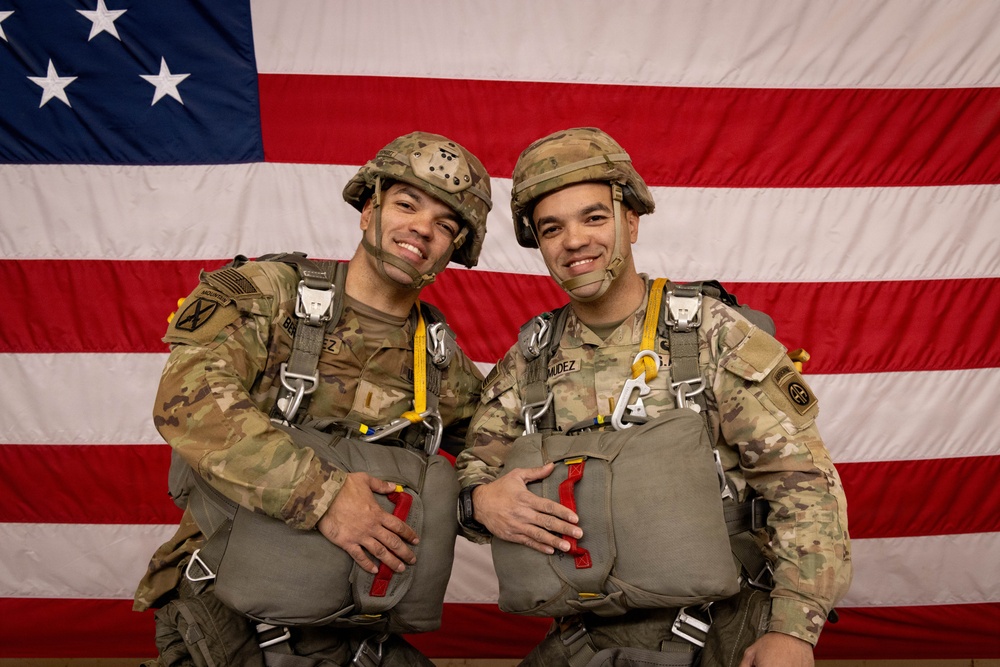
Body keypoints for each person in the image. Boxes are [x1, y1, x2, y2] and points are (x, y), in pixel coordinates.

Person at [455, 127, 851, 667]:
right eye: (553, 228)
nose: (574, 240)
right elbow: (476, 470)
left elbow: (801, 481)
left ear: (631, 221)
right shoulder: (530, 359)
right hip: (588, 626)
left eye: (594, 217)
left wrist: (794, 628)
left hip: (723, 618)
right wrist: (480, 501)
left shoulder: (710, 333)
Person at [133, 131, 493, 666]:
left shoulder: (438, 360)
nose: (422, 228)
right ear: (369, 209)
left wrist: (484, 497)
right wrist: (323, 495)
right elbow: (189, 402)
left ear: (452, 250)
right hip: (228, 608)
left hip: (351, 622)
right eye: (406, 204)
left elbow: (496, 448)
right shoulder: (271, 293)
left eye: (445, 225)